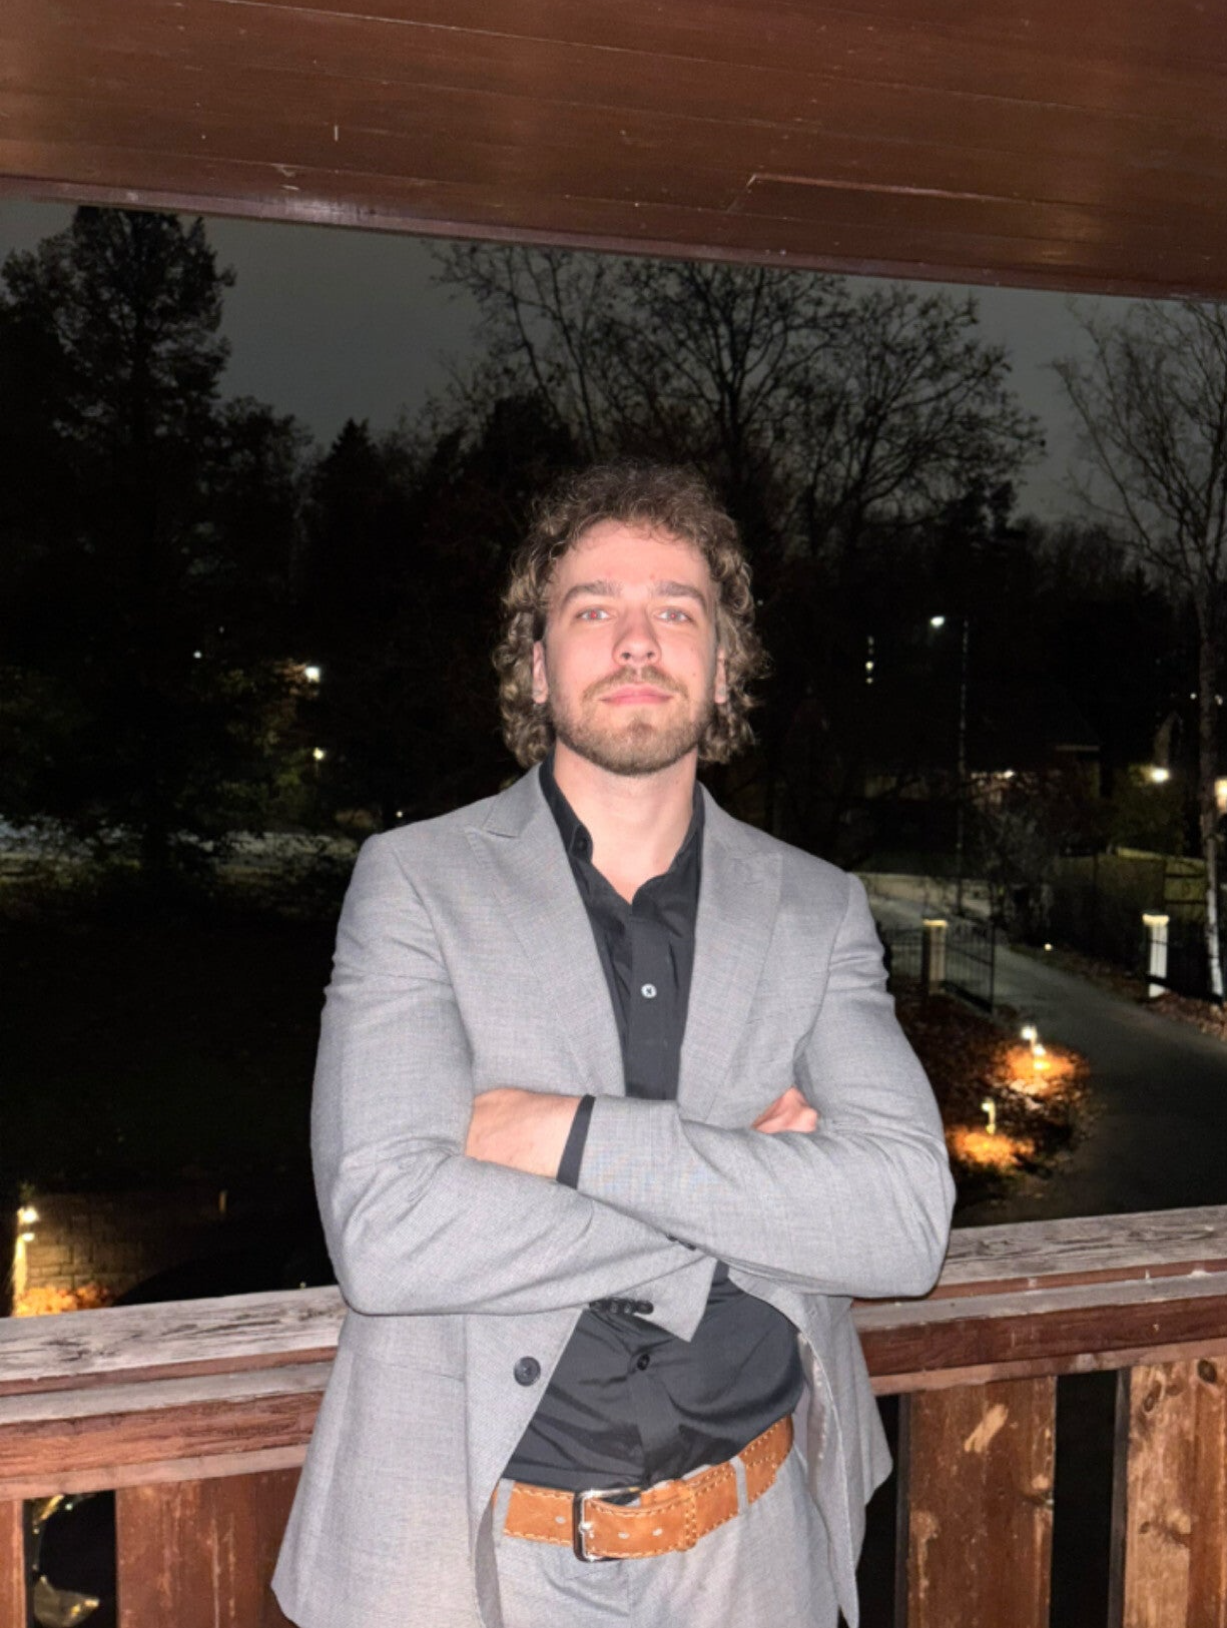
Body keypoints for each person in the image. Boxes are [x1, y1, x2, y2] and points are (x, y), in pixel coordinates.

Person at [273, 461, 954, 1628]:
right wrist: (745, 1179)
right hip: (485, 1560)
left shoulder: (818, 907)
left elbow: (903, 1222)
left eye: (676, 611)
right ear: (537, 663)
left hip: (759, 1549)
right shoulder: (417, 883)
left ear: (724, 665)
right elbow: (385, 1233)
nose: (637, 640)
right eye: (594, 609)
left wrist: (565, 1135)